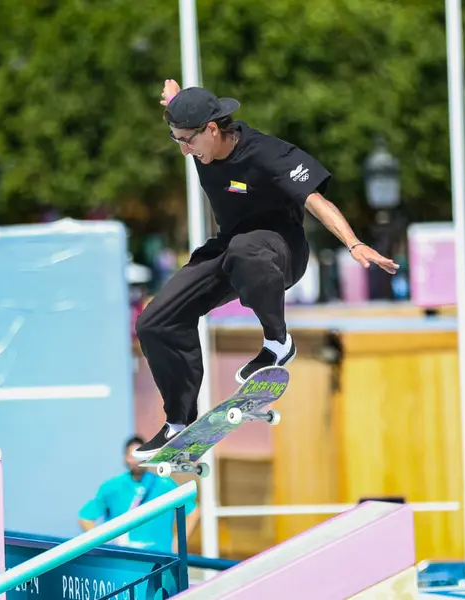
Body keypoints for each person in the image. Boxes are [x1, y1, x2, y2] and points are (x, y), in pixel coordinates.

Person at [132, 81, 399, 460]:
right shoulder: (198, 138)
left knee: (247, 249)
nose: (184, 150)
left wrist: (354, 243)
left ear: (212, 130)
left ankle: (277, 343)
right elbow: (186, 113)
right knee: (155, 322)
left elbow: (315, 201)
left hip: (281, 251)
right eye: (176, 140)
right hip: (230, 250)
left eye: (187, 141)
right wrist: (175, 99)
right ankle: (178, 421)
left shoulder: (268, 155)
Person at [80, 436, 200, 553]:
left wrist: (178, 544)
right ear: (125, 458)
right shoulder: (111, 487)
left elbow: (193, 512)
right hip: (124, 563)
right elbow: (85, 518)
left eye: (140, 455)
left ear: (148, 457)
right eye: (132, 456)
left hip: (162, 561)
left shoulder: (165, 484)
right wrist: (102, 547)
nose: (136, 461)